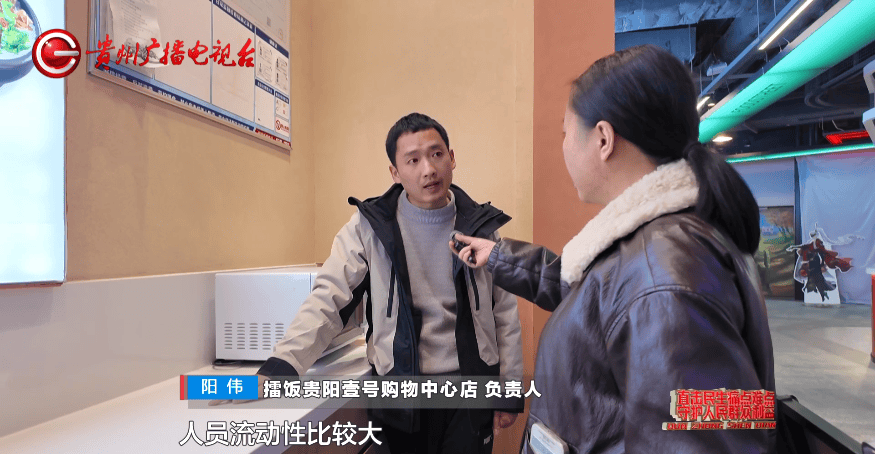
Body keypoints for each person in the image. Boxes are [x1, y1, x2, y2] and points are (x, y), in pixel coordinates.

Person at [450, 44, 776, 453]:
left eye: (566, 132)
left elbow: (702, 442)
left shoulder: (664, 276)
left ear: (603, 139)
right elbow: (601, 301)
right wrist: (499, 256)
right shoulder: (661, 246)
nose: (564, 146)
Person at [256, 112, 524, 454]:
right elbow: (329, 299)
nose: (428, 169)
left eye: (437, 154)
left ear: (452, 158)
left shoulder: (481, 225)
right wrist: (281, 367)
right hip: (400, 395)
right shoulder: (369, 227)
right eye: (413, 160)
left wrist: (509, 390)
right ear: (395, 173)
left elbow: (505, 313)